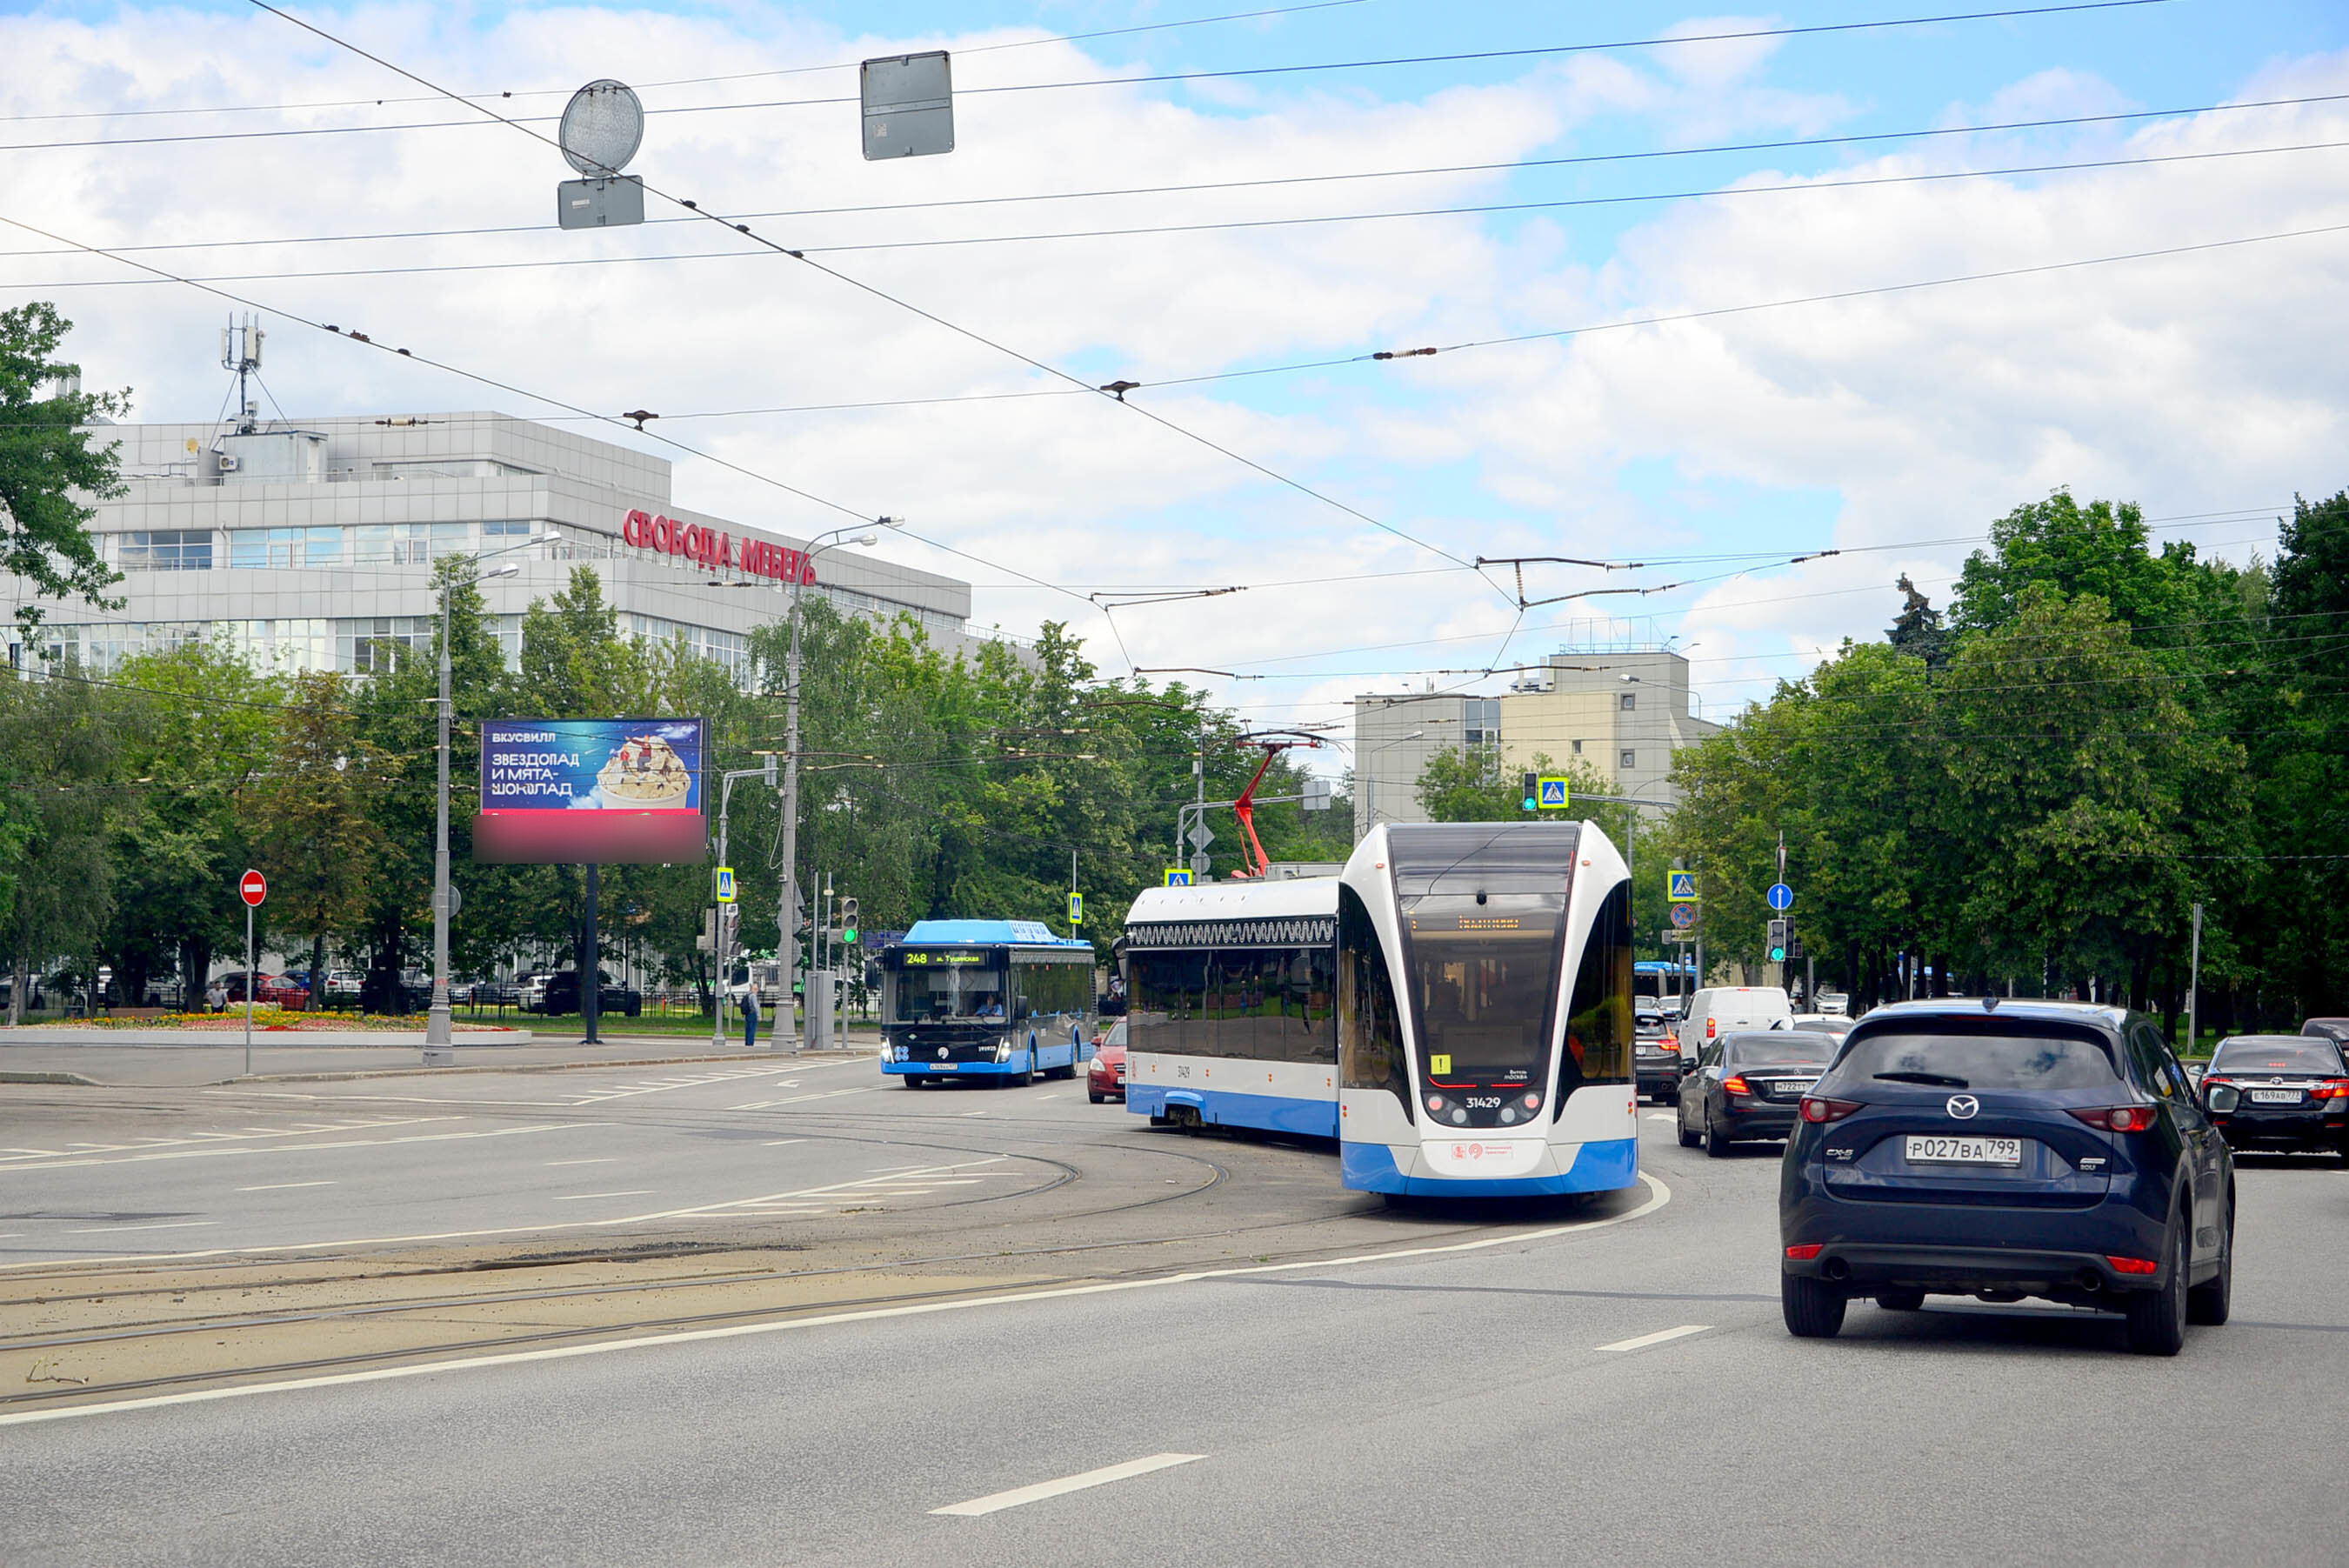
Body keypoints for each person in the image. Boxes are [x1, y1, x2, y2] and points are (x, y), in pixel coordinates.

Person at [743, 984, 761, 1050]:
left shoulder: (748, 995)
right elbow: (756, 1006)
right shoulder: (753, 996)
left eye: (757, 989)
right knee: (752, 1029)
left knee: (748, 1029)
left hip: (747, 1014)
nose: (756, 990)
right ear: (752, 989)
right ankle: (750, 1044)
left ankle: (747, 1043)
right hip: (752, 1014)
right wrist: (759, 1015)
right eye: (755, 989)